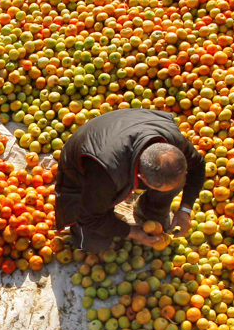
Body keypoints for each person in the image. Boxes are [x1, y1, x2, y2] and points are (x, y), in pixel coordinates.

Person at [54, 108, 206, 253]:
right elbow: (88, 218)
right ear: (141, 179)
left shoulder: (173, 142)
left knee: (176, 181)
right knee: (94, 244)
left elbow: (198, 166)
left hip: (125, 125)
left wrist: (186, 208)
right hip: (83, 158)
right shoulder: (104, 172)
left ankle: (148, 210)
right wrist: (132, 232)